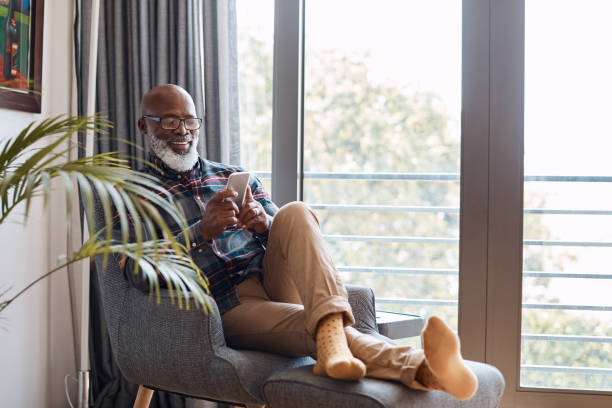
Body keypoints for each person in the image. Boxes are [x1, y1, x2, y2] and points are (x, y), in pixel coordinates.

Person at [122, 84, 478, 400]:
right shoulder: (135, 194)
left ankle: (335, 347)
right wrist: (201, 232)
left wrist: (263, 225)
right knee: (319, 328)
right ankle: (423, 367)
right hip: (225, 305)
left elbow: (291, 232)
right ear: (144, 125)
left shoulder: (231, 174)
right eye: (169, 121)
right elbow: (137, 273)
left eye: (190, 120)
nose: (183, 130)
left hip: (275, 282)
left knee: (295, 211)